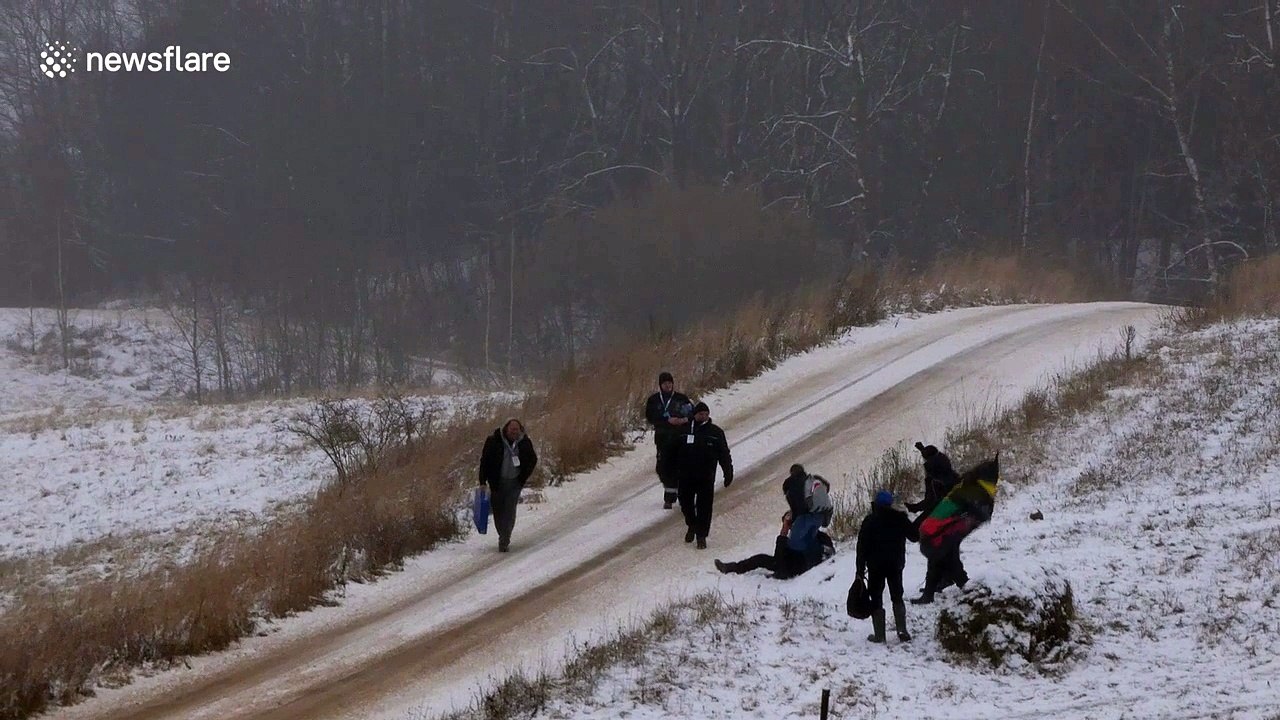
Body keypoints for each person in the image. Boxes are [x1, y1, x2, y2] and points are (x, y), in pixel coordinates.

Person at [661, 401, 733, 549]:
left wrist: (728, 471)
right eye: (701, 414)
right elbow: (670, 452)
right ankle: (692, 524)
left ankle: (701, 535)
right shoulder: (683, 431)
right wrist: (667, 471)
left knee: (704, 507)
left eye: (706, 414)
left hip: (706, 476)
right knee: (686, 503)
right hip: (685, 475)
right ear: (695, 415)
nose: (704, 416)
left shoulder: (715, 433)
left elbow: (724, 454)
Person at [907, 442, 968, 604]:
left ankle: (933, 592)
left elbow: (931, 503)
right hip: (956, 518)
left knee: (937, 554)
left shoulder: (934, 481)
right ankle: (952, 582)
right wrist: (922, 449)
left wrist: (915, 508)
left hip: (942, 520)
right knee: (949, 553)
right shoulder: (950, 474)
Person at [855, 490, 919, 643]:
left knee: (876, 597)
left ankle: (879, 635)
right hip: (895, 564)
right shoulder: (899, 518)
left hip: (875, 566)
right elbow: (915, 537)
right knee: (897, 595)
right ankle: (902, 630)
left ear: (876, 504)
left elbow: (861, 547)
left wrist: (859, 569)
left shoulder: (869, 521)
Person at [715, 510, 834, 579]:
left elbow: (780, 561)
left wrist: (783, 533)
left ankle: (732, 568)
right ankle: (731, 568)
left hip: (794, 569)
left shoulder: (816, 538)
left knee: (765, 560)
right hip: (790, 565)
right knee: (759, 558)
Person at [477, 418, 538, 552]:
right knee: (498, 511)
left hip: (515, 483)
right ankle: (502, 533)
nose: (514, 432)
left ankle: (505, 538)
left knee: (509, 510)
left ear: (520, 430)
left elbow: (533, 459)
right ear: (506, 429)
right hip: (497, 482)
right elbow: (484, 461)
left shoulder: (524, 442)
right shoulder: (493, 441)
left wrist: (523, 476)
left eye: (516, 429)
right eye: (512, 429)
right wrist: (482, 481)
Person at [644, 371, 691, 509]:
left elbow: (691, 413)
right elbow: (650, 416)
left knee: (679, 465)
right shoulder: (654, 400)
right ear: (660, 385)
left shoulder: (681, 398)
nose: (668, 385)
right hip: (663, 437)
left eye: (670, 383)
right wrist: (666, 419)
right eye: (665, 383)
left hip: (680, 436)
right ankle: (671, 487)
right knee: (662, 467)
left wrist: (683, 420)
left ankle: (670, 497)